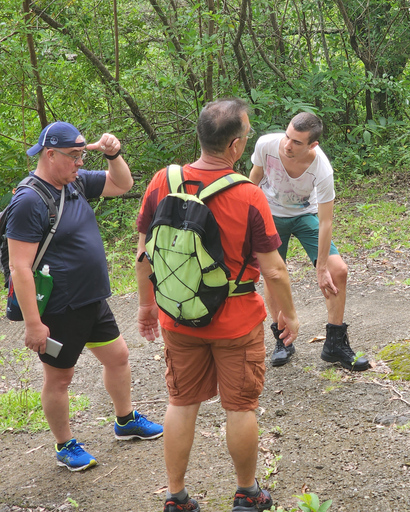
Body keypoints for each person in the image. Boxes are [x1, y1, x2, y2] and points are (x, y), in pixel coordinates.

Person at [136, 97, 299, 512]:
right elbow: (275, 270)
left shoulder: (162, 181)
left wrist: (146, 305)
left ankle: (176, 497)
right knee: (240, 407)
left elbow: (144, 251)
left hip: (178, 317)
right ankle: (247, 492)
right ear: (236, 146)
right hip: (236, 323)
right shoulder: (248, 195)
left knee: (181, 402)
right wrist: (288, 315)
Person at [6, 121, 163, 472]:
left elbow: (122, 184)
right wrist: (33, 324)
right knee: (60, 379)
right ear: (50, 155)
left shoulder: (73, 181)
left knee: (118, 357)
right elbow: (20, 268)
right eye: (74, 156)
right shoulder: (29, 200)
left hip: (91, 299)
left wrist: (114, 154)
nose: (80, 163)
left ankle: (125, 421)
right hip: (60, 307)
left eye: (81, 155)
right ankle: (65, 445)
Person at [249, 112, 370, 372]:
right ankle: (283, 340)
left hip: (305, 215)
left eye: (296, 142)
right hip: (268, 214)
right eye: (287, 136)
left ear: (312, 145)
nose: (287, 145)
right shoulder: (267, 145)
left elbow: (326, 221)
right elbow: (253, 180)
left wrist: (322, 267)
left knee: (339, 271)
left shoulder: (322, 169)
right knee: (272, 275)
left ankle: (335, 344)